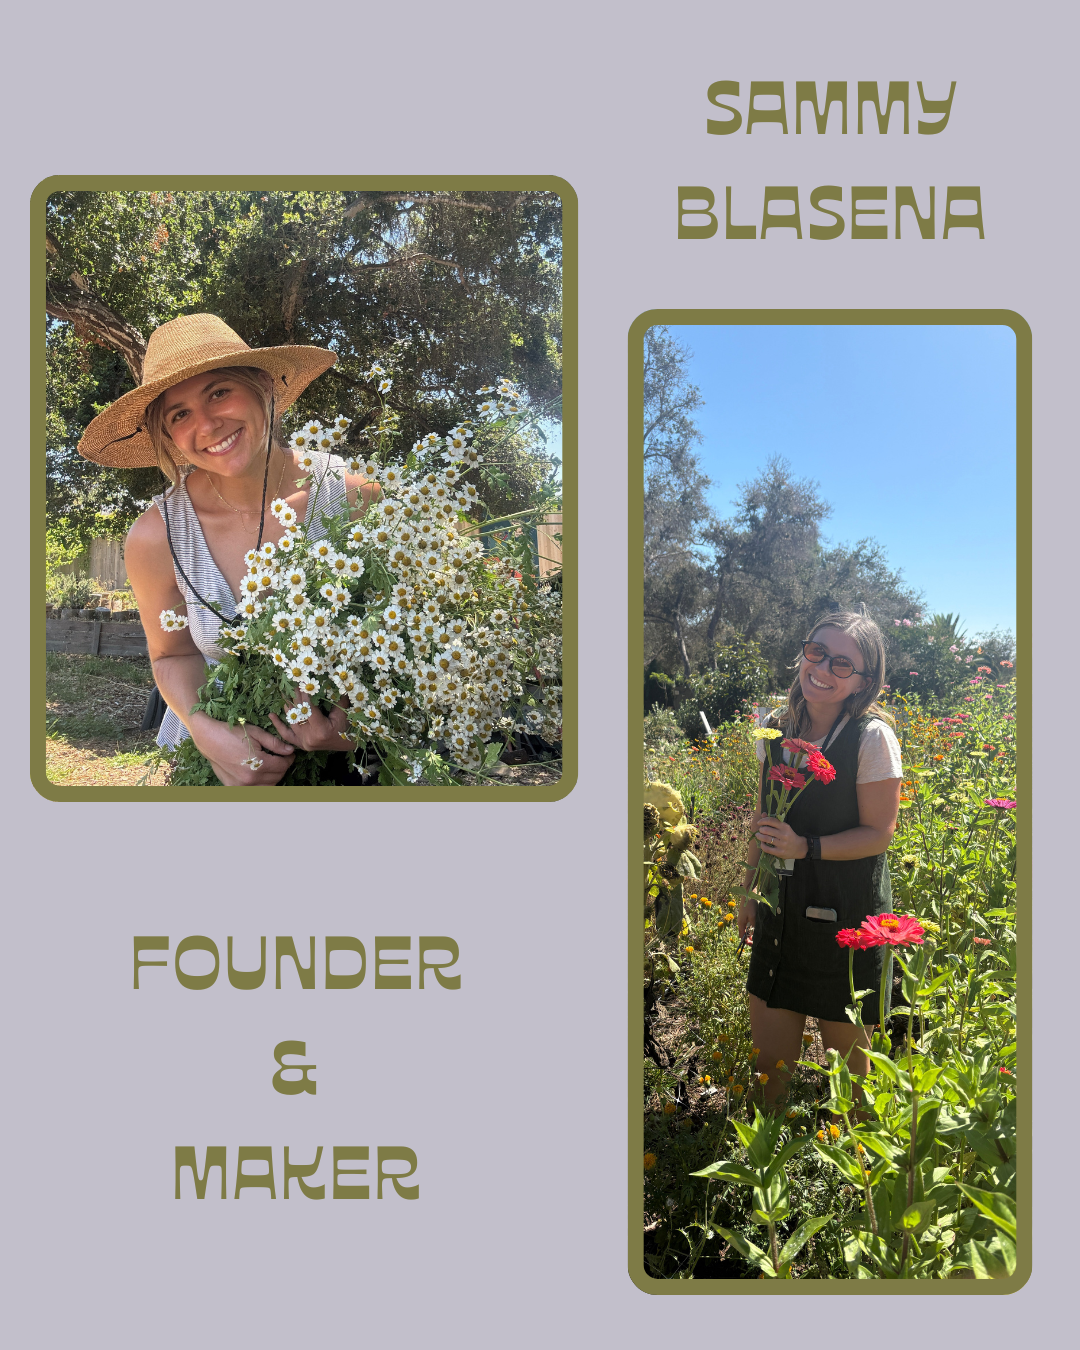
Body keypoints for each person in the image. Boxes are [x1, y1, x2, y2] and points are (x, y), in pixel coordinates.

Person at [77, 313, 379, 786]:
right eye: (179, 415)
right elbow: (171, 656)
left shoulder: (356, 498)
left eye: (219, 392)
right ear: (168, 436)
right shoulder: (157, 537)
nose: (207, 424)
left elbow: (404, 637)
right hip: (215, 774)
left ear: (263, 386)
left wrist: (357, 726)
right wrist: (205, 732)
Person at [738, 610, 902, 1103]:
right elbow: (763, 816)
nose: (824, 668)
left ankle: (852, 1151)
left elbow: (879, 835)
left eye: (842, 663)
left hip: (846, 916)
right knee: (769, 1069)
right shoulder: (776, 727)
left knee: (850, 1078)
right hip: (780, 909)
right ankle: (767, 1144)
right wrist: (748, 891)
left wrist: (805, 847)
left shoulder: (871, 737)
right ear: (803, 653)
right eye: (817, 652)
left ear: (863, 681)